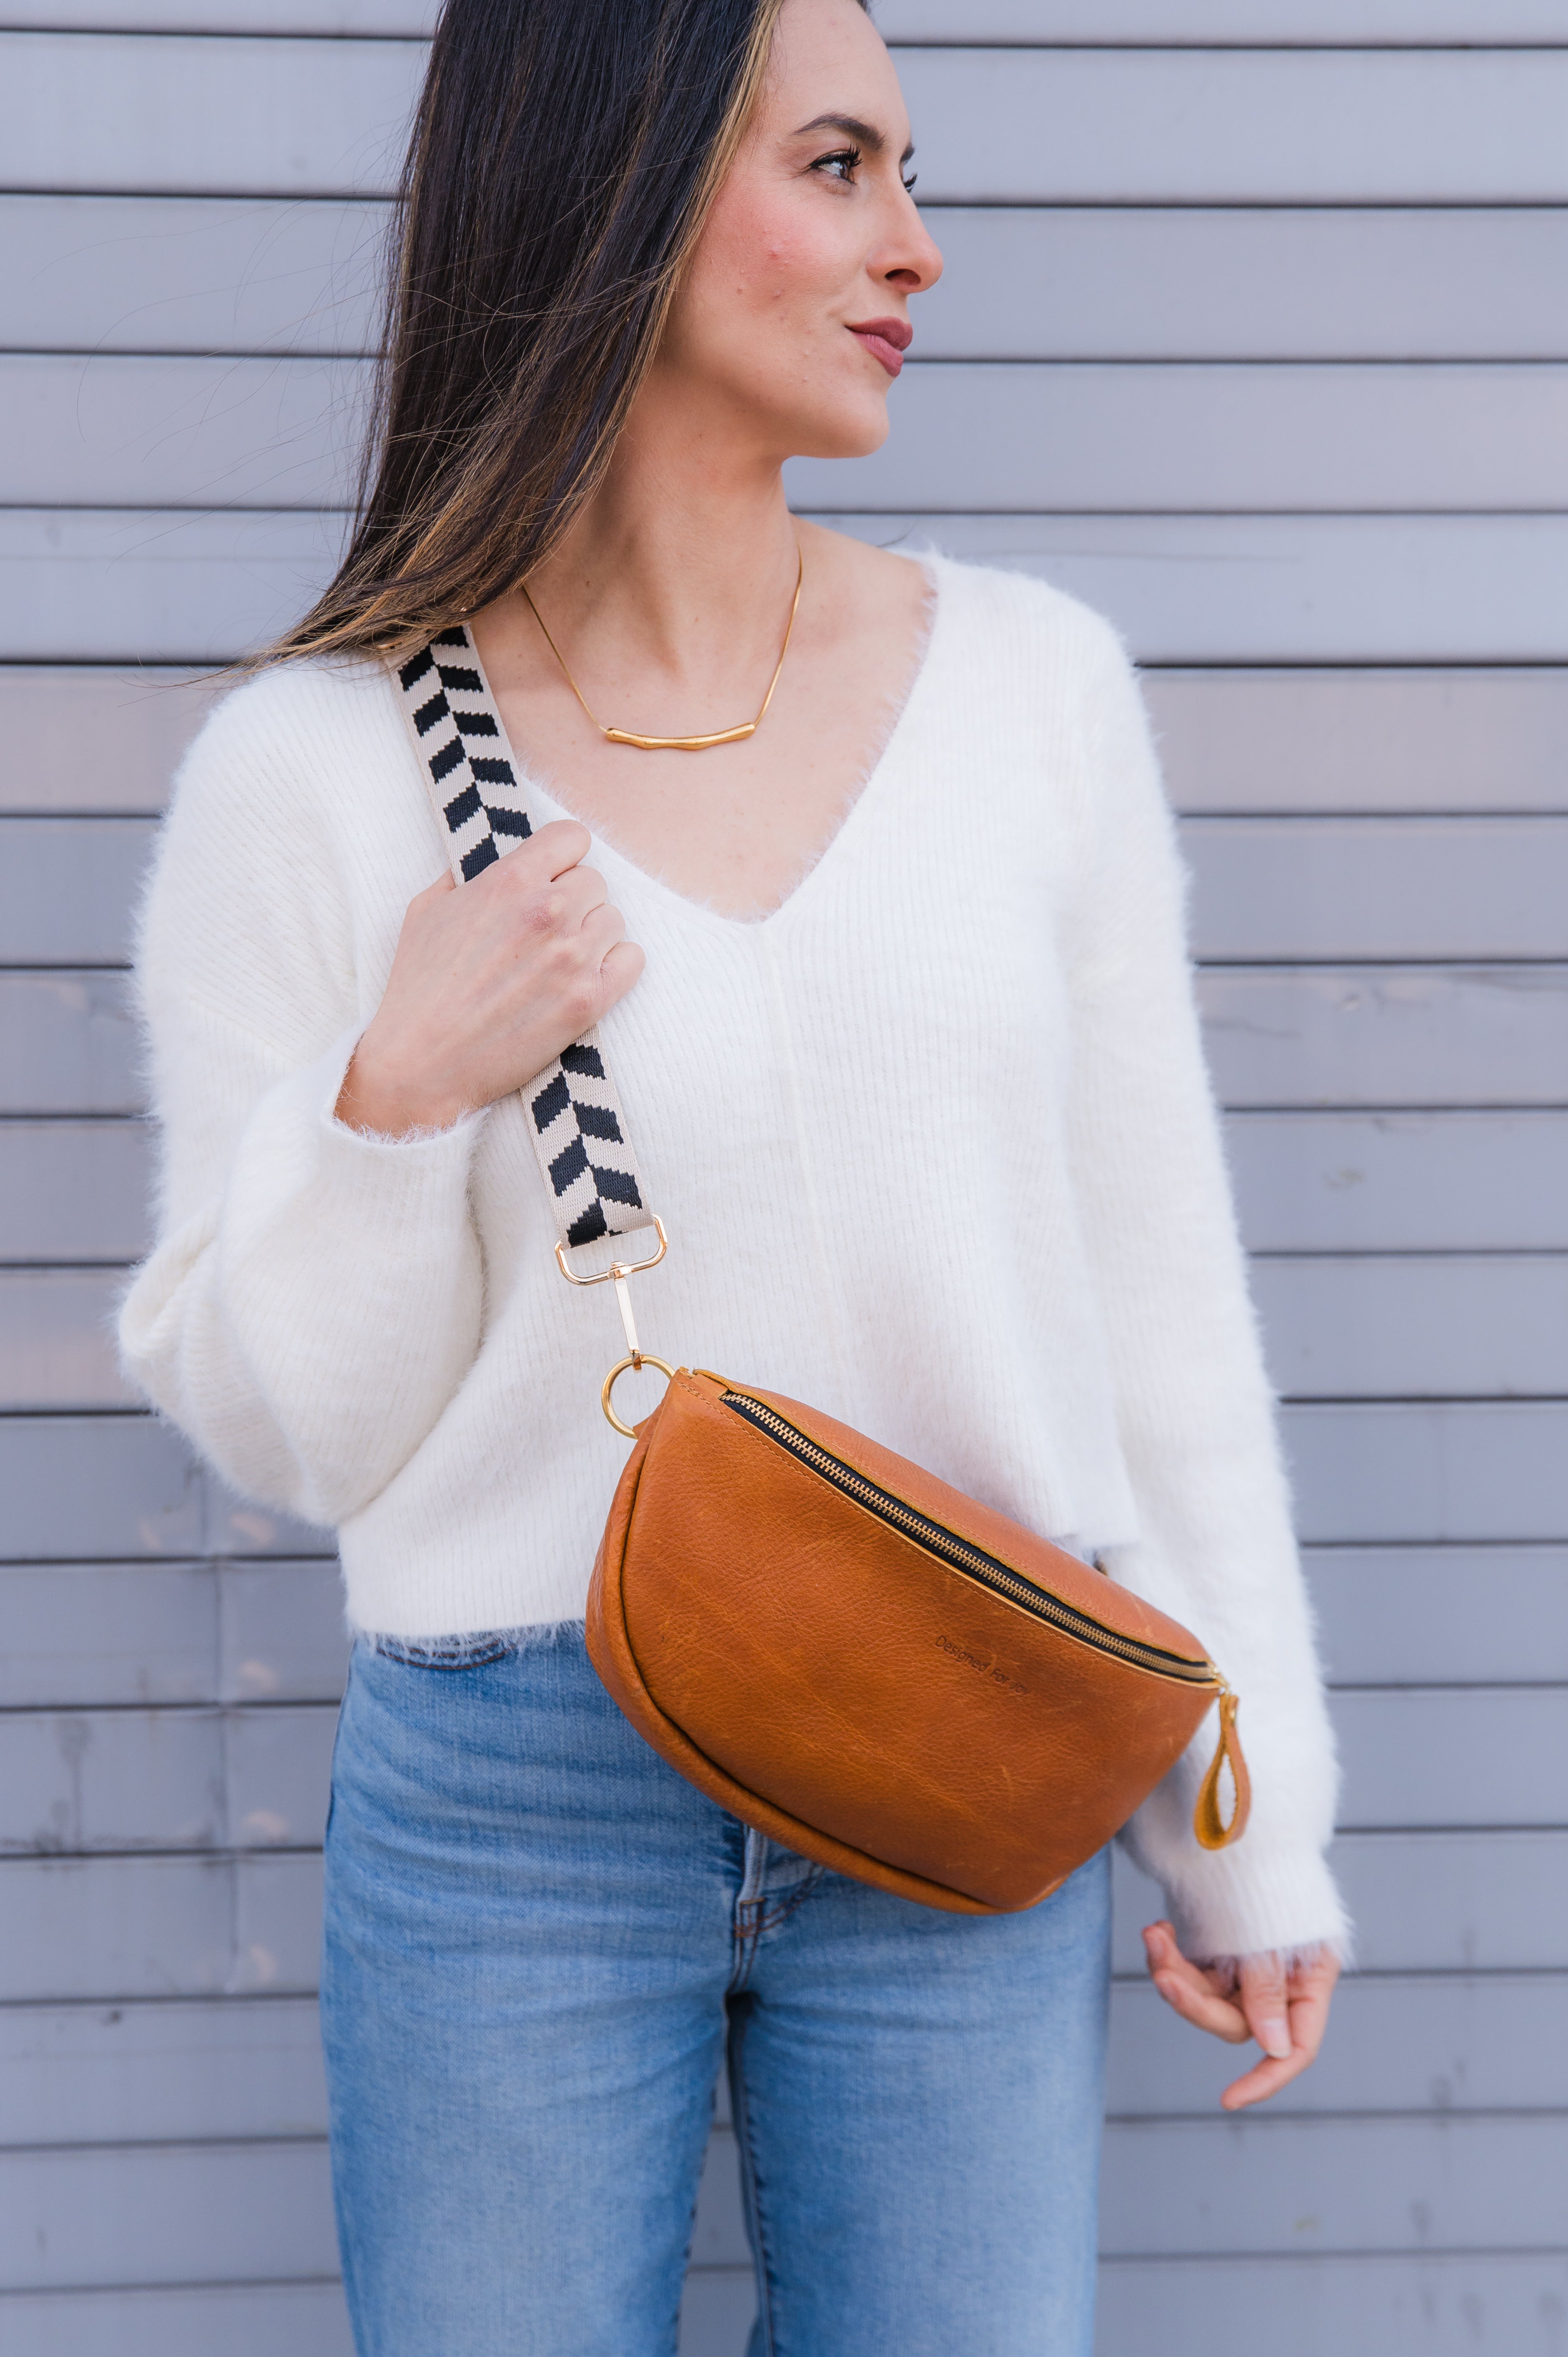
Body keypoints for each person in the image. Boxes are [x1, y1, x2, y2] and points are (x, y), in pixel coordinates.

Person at [120, 0, 1347, 2349]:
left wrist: (1240, 1814)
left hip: (967, 1743)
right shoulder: (318, 766)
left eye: (905, 170)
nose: (919, 247)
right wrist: (397, 1095)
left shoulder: (1030, 691)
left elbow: (1155, 1304)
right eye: (844, 165)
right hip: (510, 1792)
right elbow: (289, 1426)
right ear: (626, 196)